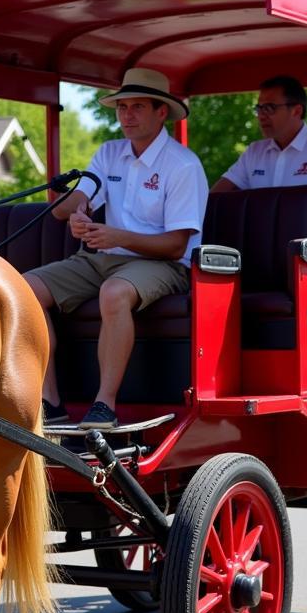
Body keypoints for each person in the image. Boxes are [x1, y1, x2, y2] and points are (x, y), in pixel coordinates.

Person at [24, 68, 208, 430]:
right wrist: (77, 213)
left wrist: (117, 237)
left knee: (114, 292)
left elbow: (176, 245)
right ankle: (50, 401)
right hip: (103, 256)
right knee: (24, 291)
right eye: (122, 107)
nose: (126, 115)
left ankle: (104, 405)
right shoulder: (109, 153)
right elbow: (66, 207)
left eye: (137, 106)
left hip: (162, 264)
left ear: (161, 113)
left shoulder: (183, 165)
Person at [210, 75, 307, 237]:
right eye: (259, 108)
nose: (261, 116)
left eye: (269, 108)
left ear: (297, 110)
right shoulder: (254, 152)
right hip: (257, 252)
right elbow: (213, 200)